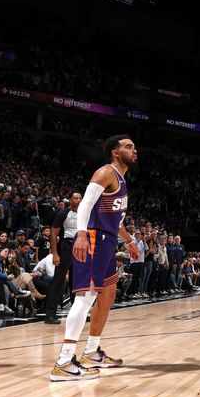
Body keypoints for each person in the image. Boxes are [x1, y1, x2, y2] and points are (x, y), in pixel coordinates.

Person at [49, 135, 139, 381]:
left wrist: (129, 241)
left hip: (107, 240)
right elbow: (85, 205)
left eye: (134, 147)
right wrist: (80, 234)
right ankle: (64, 362)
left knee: (108, 295)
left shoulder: (121, 179)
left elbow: (115, 218)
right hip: (93, 239)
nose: (134, 150)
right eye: (128, 146)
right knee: (86, 297)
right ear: (115, 152)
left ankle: (91, 352)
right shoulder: (105, 172)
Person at [45, 192, 81, 324]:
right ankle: (49, 314)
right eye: (75, 198)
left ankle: (76, 314)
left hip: (80, 248)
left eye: (80, 198)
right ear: (70, 200)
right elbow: (53, 234)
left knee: (76, 282)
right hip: (66, 246)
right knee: (58, 281)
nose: (78, 200)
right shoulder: (63, 213)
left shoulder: (84, 213)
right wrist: (55, 253)